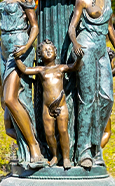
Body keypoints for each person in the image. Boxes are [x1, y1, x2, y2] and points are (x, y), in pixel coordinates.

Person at [68, 0, 115, 169]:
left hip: (102, 50)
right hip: (86, 48)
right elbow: (72, 29)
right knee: (87, 99)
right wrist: (75, 45)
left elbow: (110, 28)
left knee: (106, 98)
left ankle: (96, 145)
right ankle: (84, 150)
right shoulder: (82, 0)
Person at [0, 0, 46, 169]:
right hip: (5, 49)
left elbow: (34, 26)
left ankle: (35, 148)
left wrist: (26, 47)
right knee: (5, 109)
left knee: (10, 98)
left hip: (18, 49)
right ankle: (22, 147)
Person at [15, 39, 83, 169]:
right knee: (49, 133)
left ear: (55, 53)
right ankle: (54, 155)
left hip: (61, 105)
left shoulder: (60, 68)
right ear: (40, 55)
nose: (48, 51)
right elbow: (24, 69)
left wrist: (79, 58)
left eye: (50, 49)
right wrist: (17, 59)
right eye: (45, 50)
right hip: (47, 107)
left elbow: (74, 66)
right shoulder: (41, 70)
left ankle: (66, 158)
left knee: (63, 131)